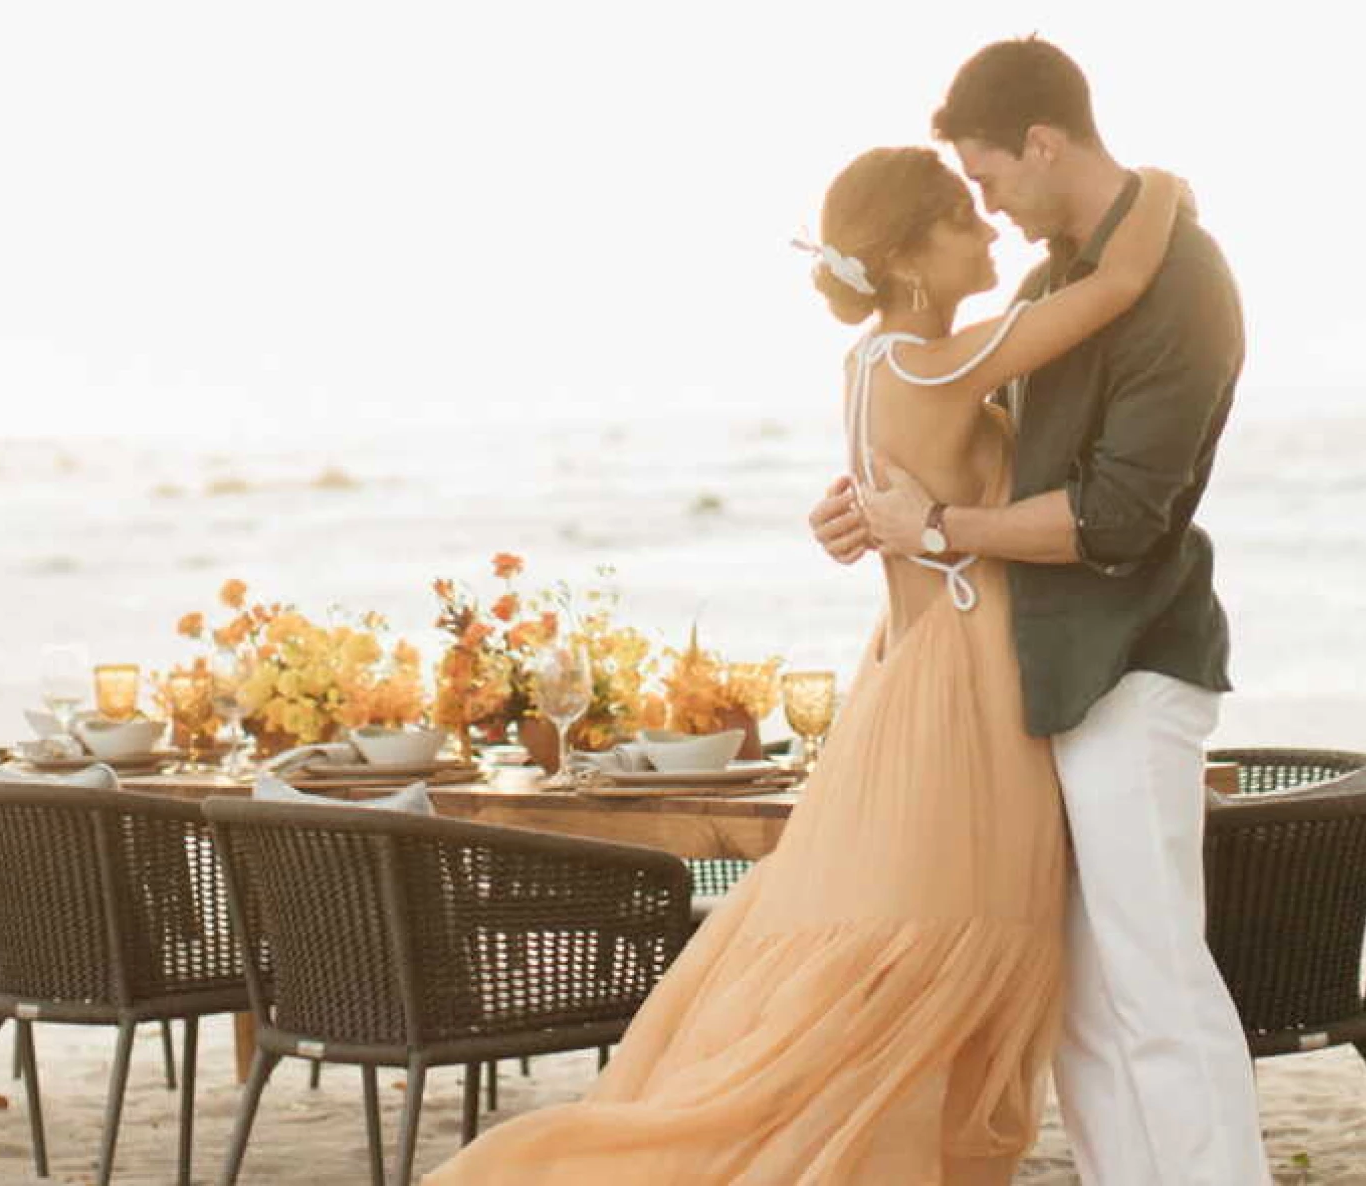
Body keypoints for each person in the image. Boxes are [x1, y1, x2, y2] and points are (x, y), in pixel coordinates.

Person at [424, 137, 1184, 1183]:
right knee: (950, 938)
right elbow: (1127, 279)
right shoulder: (938, 356)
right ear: (913, 253)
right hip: (966, 684)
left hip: (911, 670)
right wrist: (1167, 187)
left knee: (915, 946)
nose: (985, 228)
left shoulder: (867, 364)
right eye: (962, 218)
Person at [819, 37, 1272, 1186]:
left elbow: (1116, 516)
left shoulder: (1184, 281)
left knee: (1153, 975)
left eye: (987, 181)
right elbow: (976, 447)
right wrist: (866, 507)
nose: (989, 209)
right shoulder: (1051, 282)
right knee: (1078, 994)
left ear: (1041, 141)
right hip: (1029, 673)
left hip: (1129, 662)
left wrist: (931, 529)